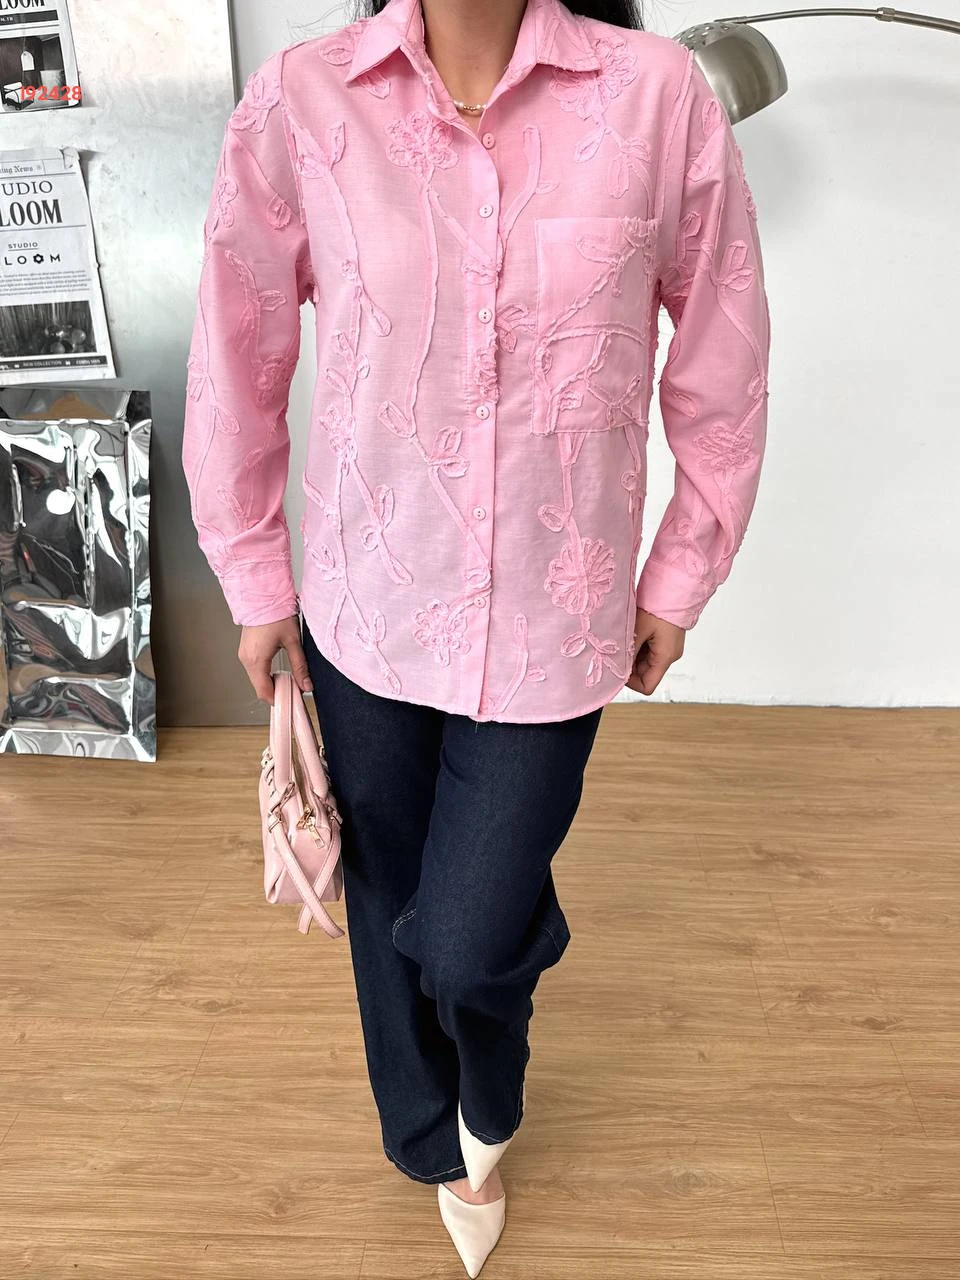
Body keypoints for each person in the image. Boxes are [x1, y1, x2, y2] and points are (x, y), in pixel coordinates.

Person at [182, 0, 771, 1272]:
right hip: (368, 601)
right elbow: (239, 348)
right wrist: (253, 571)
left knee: (462, 933)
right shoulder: (304, 99)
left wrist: (682, 569)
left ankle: (488, 1087)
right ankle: (428, 1136)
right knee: (389, 889)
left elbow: (723, 351)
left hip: (558, 619)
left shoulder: (658, 99)